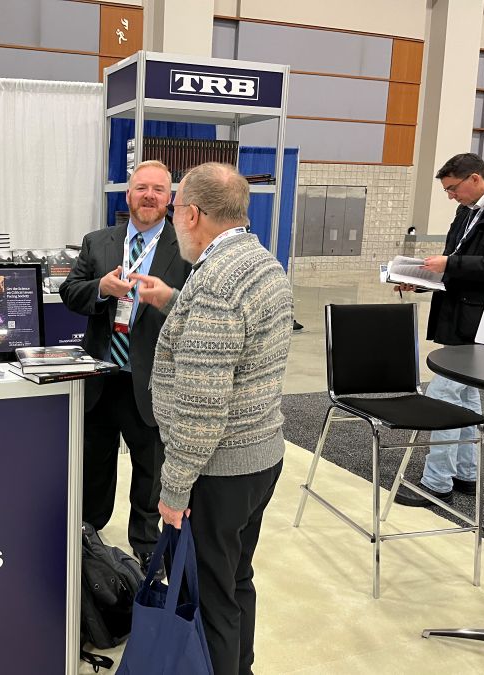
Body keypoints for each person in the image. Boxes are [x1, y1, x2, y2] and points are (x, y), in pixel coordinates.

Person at [135, 162, 292, 674]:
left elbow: (203, 408)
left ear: (193, 213)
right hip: (260, 456)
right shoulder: (260, 262)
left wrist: (174, 489)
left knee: (209, 599)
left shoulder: (217, 281)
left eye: (176, 207)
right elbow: (233, 336)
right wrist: (175, 301)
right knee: (234, 580)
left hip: (217, 470)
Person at [59, 160, 192, 572]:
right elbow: (69, 292)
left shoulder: (187, 248)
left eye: (158, 189)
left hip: (151, 381)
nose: (149, 195)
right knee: (94, 466)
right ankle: (89, 541)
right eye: (141, 188)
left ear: (170, 199)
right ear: (127, 194)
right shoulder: (98, 242)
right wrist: (101, 287)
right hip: (101, 377)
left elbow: (197, 310)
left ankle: (148, 546)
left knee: (150, 469)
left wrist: (167, 298)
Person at [394, 153, 484, 507]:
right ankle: (466, 473)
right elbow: (455, 265)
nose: (450, 196)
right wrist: (423, 280)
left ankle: (437, 482)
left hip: (481, 321)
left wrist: (450, 263)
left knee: (443, 397)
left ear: (475, 179)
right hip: (456, 316)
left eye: (452, 189)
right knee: (465, 396)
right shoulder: (467, 212)